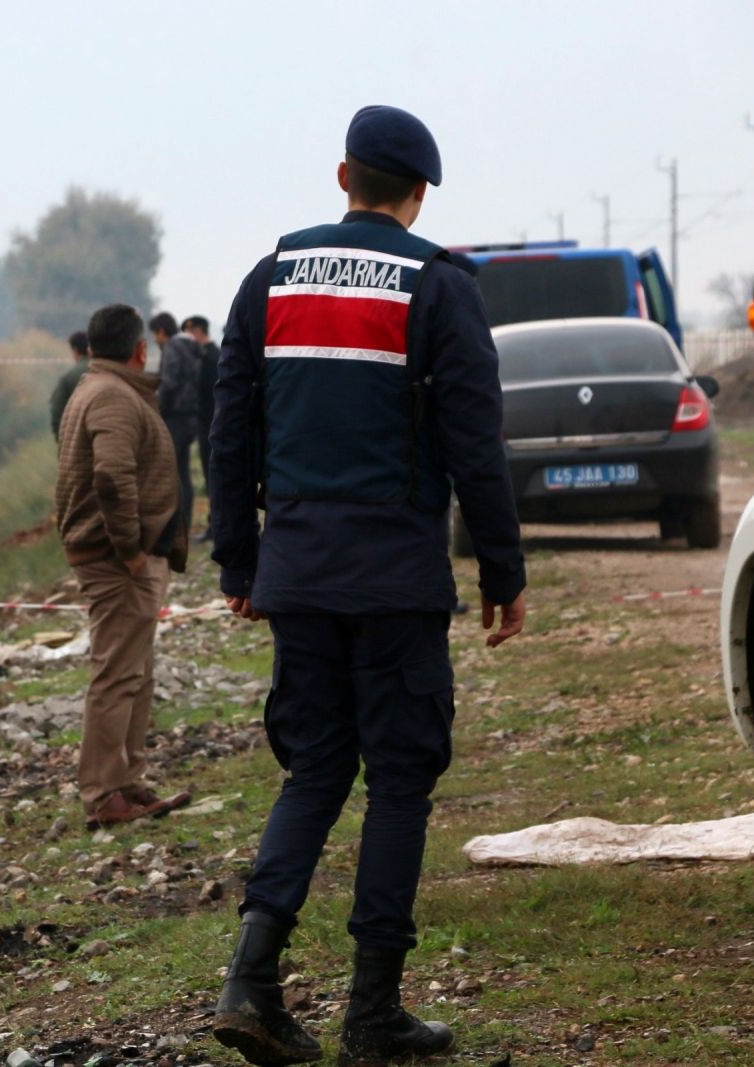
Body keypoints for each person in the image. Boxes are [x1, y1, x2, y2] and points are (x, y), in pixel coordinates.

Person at [207, 106, 528, 1066]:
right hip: (394, 582)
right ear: (418, 192)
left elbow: (228, 431)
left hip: (296, 574)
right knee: (398, 782)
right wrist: (502, 570)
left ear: (342, 175)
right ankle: (373, 1011)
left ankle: (251, 982)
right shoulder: (439, 287)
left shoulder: (268, 280)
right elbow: (476, 442)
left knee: (315, 770)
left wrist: (237, 558)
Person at [55, 304, 193, 829]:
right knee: (116, 675)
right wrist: (133, 550)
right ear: (140, 350)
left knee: (136, 671)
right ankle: (103, 793)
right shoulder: (112, 396)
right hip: (116, 559)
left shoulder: (97, 388)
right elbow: (113, 478)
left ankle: (127, 779)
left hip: (118, 555)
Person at [149, 312, 203, 534]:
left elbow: (169, 382)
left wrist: (156, 407)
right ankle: (184, 521)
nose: (155, 339)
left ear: (161, 331)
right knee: (182, 471)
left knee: (174, 472)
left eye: (154, 334)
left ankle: (176, 523)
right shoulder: (188, 347)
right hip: (190, 416)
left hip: (175, 418)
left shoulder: (171, 347)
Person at [182, 315, 221, 541]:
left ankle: (215, 526)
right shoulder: (209, 355)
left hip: (210, 424)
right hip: (208, 423)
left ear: (197, 331)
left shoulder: (209, 357)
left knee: (212, 477)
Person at [49, 330, 92, 440]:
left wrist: (63, 442)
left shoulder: (68, 378)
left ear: (75, 351)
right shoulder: (108, 371)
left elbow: (57, 412)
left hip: (78, 441)